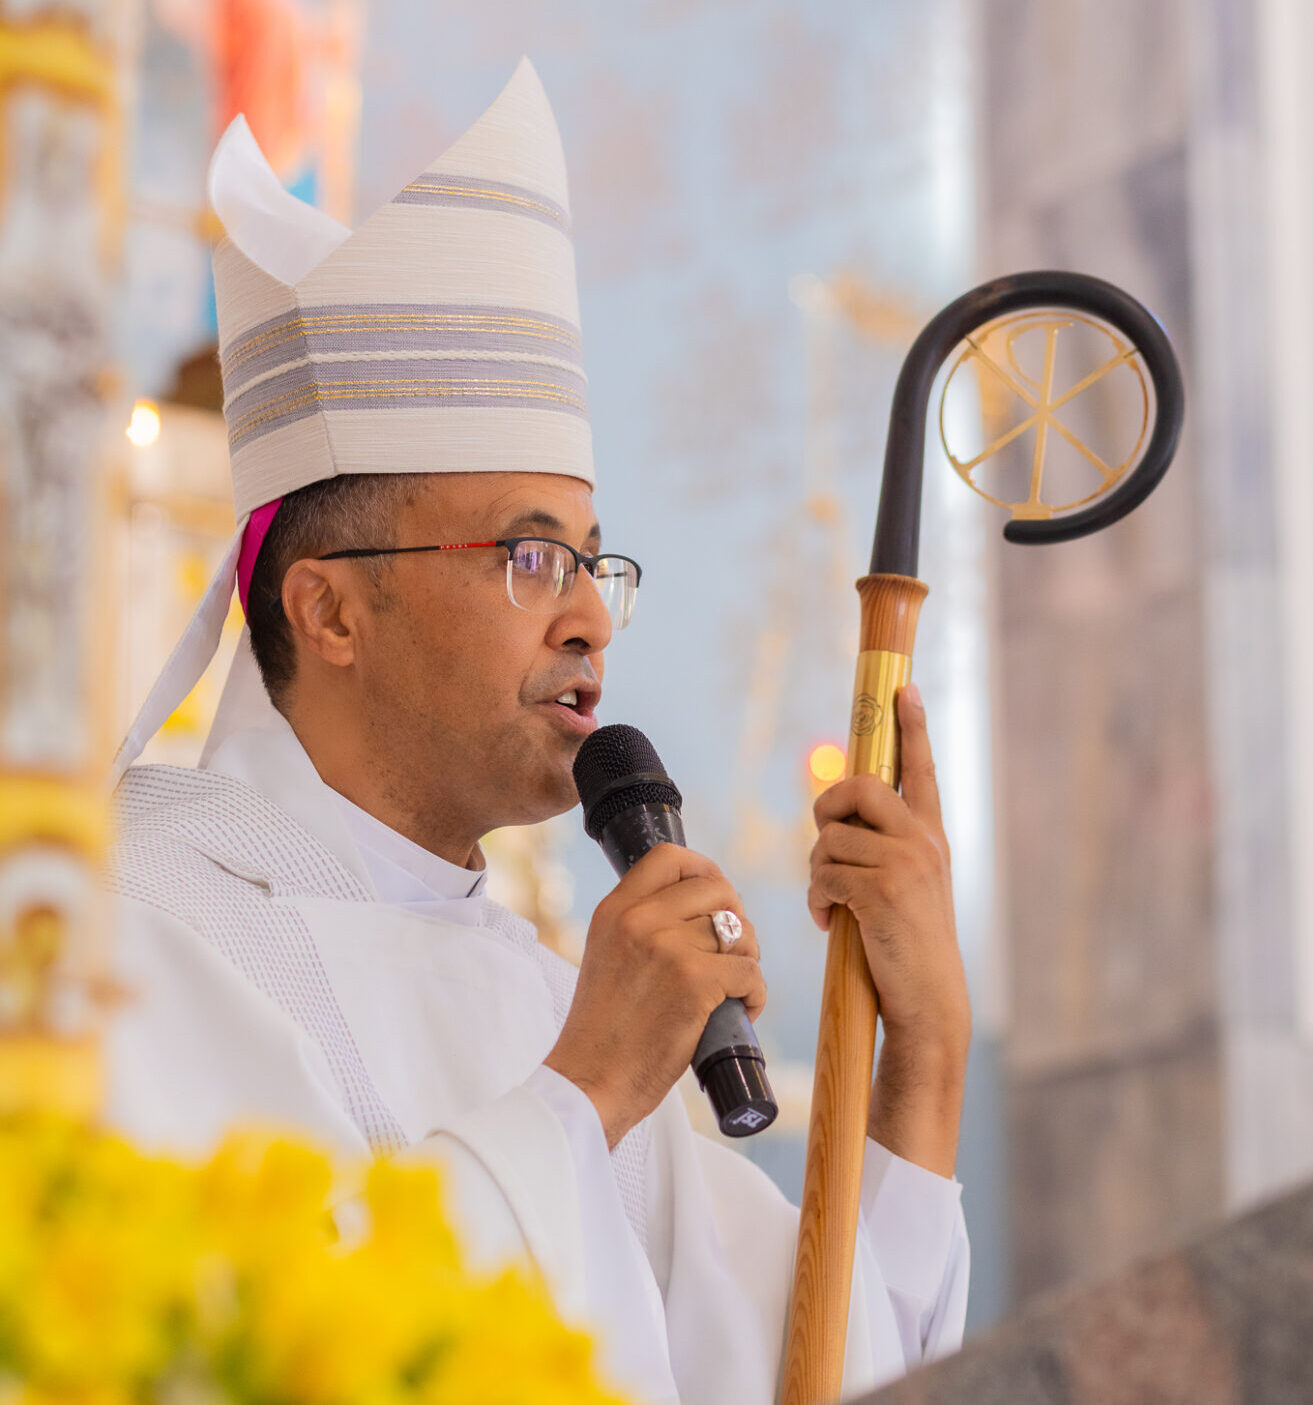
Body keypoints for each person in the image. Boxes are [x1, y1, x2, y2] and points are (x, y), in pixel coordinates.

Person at [106, 59, 971, 1405]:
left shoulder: (531, 984)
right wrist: (580, 1090)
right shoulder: (116, 927)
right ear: (329, 609)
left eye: (590, 559)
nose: (587, 618)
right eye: (526, 552)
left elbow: (817, 1370)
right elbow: (232, 1360)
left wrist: (920, 1051)